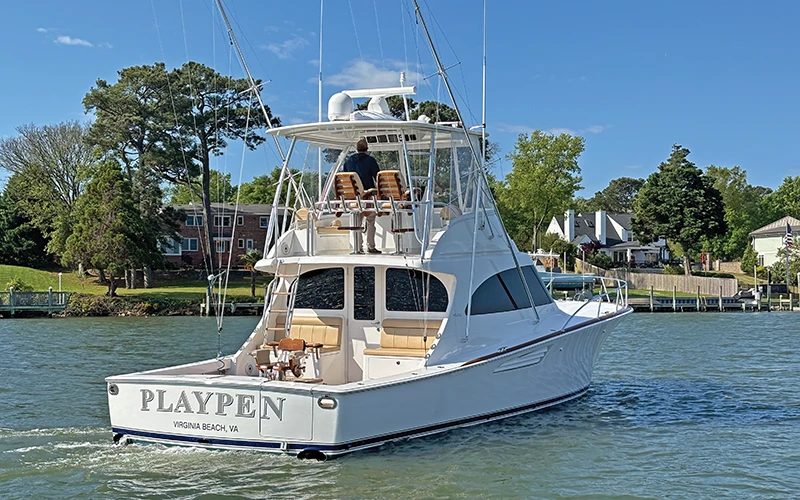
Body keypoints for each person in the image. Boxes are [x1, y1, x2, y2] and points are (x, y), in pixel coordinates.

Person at [343, 138, 381, 254]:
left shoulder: (348, 161)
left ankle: (358, 247)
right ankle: (371, 246)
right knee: (370, 220)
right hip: (367, 196)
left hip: (353, 198)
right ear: (367, 149)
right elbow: (378, 177)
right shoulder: (370, 160)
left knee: (357, 222)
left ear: (356, 149)